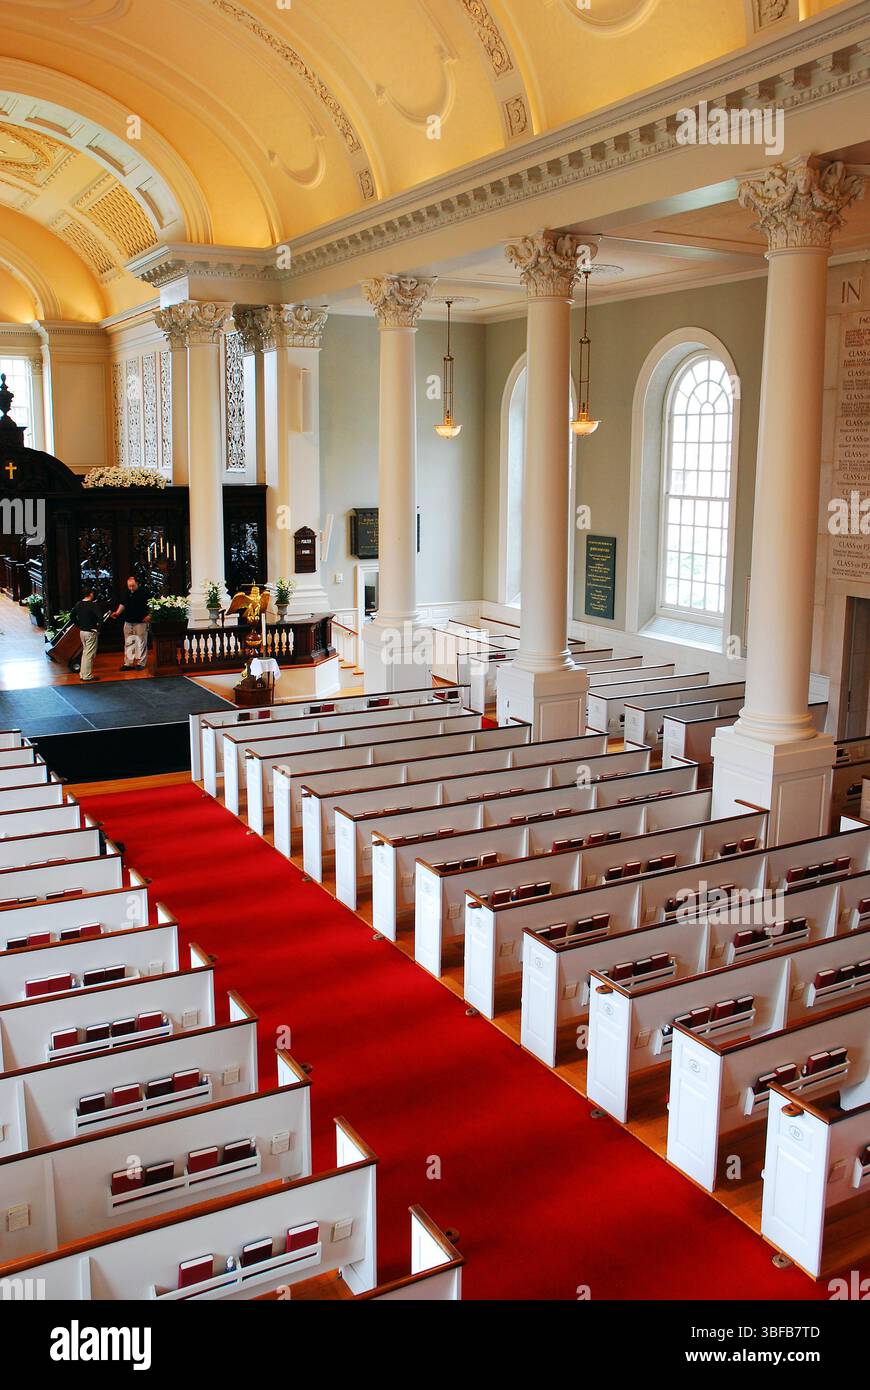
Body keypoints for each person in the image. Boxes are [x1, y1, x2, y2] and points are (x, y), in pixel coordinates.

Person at [112, 575, 151, 670]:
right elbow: (123, 604)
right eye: (129, 586)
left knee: (141, 642)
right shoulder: (126, 592)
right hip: (128, 622)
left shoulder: (144, 592)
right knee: (129, 643)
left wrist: (150, 616)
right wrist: (117, 613)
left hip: (141, 622)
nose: (131, 588)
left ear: (137, 583)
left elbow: (151, 604)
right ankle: (128, 663)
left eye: (133, 586)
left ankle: (141, 663)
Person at [72, 587, 102, 683]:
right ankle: (87, 675)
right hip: (90, 632)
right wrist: (98, 628)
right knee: (90, 654)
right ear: (91, 594)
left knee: (85, 653)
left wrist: (78, 625)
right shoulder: (92, 605)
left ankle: (83, 673)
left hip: (82, 632)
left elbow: (71, 616)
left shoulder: (78, 604)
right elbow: (100, 617)